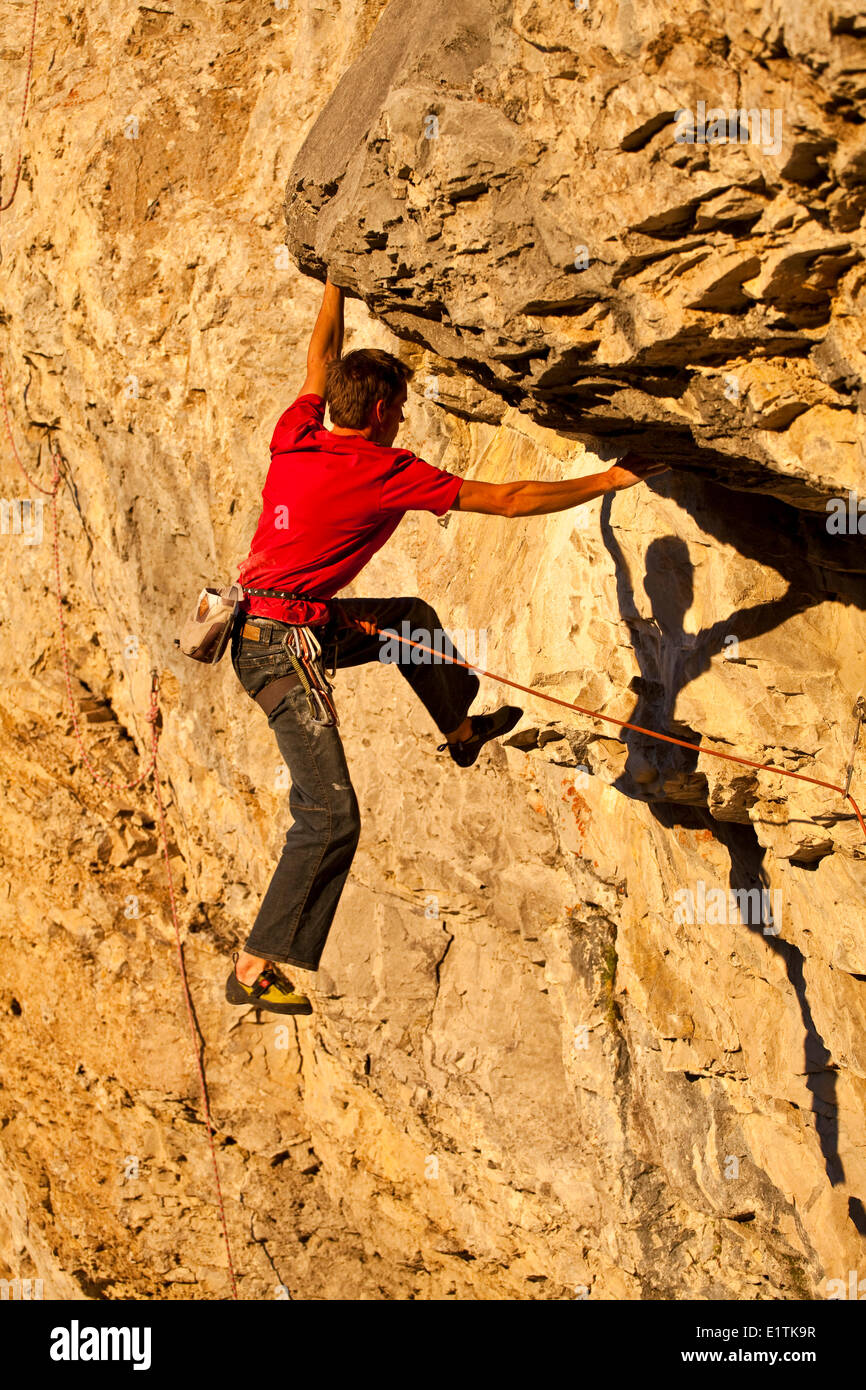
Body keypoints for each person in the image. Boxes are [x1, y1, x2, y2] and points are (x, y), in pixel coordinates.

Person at [226, 275, 667, 1015]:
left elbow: (318, 357)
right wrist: (611, 479)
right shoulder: (384, 471)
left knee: (410, 621)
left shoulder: (297, 429)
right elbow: (508, 499)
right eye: (397, 408)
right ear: (377, 411)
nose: (403, 420)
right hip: (283, 648)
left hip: (271, 622)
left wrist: (335, 283)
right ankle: (252, 967)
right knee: (331, 815)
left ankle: (461, 732)